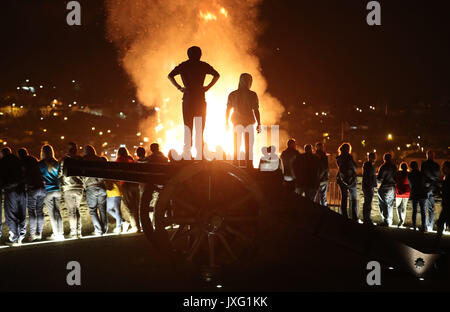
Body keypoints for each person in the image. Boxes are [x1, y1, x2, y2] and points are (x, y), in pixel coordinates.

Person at [168, 46, 220, 156]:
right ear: (200, 54)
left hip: (187, 99)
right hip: (200, 99)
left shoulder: (183, 65)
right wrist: (207, 87)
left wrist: (179, 87)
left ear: (188, 54)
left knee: (188, 126)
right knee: (200, 127)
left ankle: (187, 152)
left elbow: (170, 76)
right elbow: (217, 75)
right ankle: (200, 153)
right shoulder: (203, 65)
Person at [226, 73, 261, 168]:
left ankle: (235, 164)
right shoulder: (252, 94)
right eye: (248, 81)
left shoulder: (233, 94)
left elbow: (228, 109)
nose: (249, 82)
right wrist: (259, 123)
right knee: (248, 146)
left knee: (237, 145)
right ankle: (248, 166)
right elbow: (256, 110)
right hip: (248, 123)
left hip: (237, 123)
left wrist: (226, 122)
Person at [18, 148, 46, 241]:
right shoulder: (33, 159)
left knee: (31, 211)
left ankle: (33, 234)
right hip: (42, 186)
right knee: (40, 211)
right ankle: (40, 233)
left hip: (32, 187)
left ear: (19, 155)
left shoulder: (22, 162)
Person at [0, 147, 27, 245]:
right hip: (22, 189)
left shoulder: (3, 161)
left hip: (11, 190)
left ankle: (14, 237)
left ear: (3, 154)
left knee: (11, 214)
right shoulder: (18, 160)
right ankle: (21, 236)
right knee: (22, 213)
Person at [59, 142, 84, 238]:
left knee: (71, 211)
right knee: (76, 209)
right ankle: (79, 231)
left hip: (69, 187)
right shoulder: (80, 159)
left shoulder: (65, 160)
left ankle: (74, 232)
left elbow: (60, 173)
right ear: (76, 149)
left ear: (68, 149)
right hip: (79, 187)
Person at [39, 145, 64, 240]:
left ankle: (55, 233)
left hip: (48, 190)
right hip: (57, 189)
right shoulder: (56, 163)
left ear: (43, 153)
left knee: (52, 213)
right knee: (58, 211)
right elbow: (59, 175)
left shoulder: (41, 164)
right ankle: (61, 233)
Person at [83, 145, 108, 235]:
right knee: (102, 209)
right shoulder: (100, 159)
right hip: (102, 186)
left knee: (93, 210)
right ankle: (105, 229)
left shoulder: (84, 160)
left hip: (91, 187)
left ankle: (98, 230)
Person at [117, 147, 139, 233]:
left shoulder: (119, 160)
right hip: (134, 184)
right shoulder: (130, 159)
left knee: (129, 206)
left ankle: (135, 226)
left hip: (126, 184)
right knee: (136, 206)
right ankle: (139, 225)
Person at [102, 156, 124, 234]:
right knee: (110, 209)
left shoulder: (105, 170)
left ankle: (119, 227)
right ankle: (123, 222)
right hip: (116, 191)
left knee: (115, 210)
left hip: (113, 192)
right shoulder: (112, 168)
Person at [336, 143, 358, 220]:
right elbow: (355, 168)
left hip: (341, 179)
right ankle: (354, 216)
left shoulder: (338, 158)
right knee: (353, 199)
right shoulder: (349, 157)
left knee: (344, 198)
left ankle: (344, 216)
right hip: (351, 180)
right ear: (348, 149)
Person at [421, 150, 441, 232]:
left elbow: (422, 175)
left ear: (427, 156)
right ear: (434, 156)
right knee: (430, 209)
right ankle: (430, 226)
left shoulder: (424, 164)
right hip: (433, 188)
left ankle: (425, 226)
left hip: (425, 188)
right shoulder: (436, 165)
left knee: (424, 208)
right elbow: (437, 176)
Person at [377, 153, 397, 226]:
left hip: (385, 187)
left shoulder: (383, 167)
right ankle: (390, 220)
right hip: (392, 187)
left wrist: (378, 186)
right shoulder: (394, 167)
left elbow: (379, 179)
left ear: (384, 159)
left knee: (383, 204)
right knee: (390, 204)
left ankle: (386, 220)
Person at [408, 161, 427, 232]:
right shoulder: (421, 174)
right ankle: (423, 226)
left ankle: (414, 226)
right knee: (423, 211)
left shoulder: (410, 175)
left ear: (411, 167)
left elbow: (411, 185)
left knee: (414, 211)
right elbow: (424, 182)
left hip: (414, 193)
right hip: (422, 193)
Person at [435, 161, 450, 245]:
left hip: (448, 205)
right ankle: (437, 241)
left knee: (441, 222)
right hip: (446, 205)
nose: (442, 169)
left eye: (444, 167)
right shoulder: (446, 177)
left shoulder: (448, 178)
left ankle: (437, 242)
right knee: (441, 222)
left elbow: (446, 191)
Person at [362, 152, 377, 225]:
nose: (374, 158)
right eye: (373, 157)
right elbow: (370, 177)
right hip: (368, 186)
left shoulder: (367, 165)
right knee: (368, 203)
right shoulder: (369, 165)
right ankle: (367, 219)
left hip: (367, 186)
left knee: (367, 203)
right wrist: (372, 186)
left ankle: (366, 218)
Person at [395, 162, 410, 227]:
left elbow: (395, 180)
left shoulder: (398, 173)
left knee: (398, 207)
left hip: (399, 191)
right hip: (407, 191)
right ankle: (402, 221)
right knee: (404, 207)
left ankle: (400, 219)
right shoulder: (409, 174)